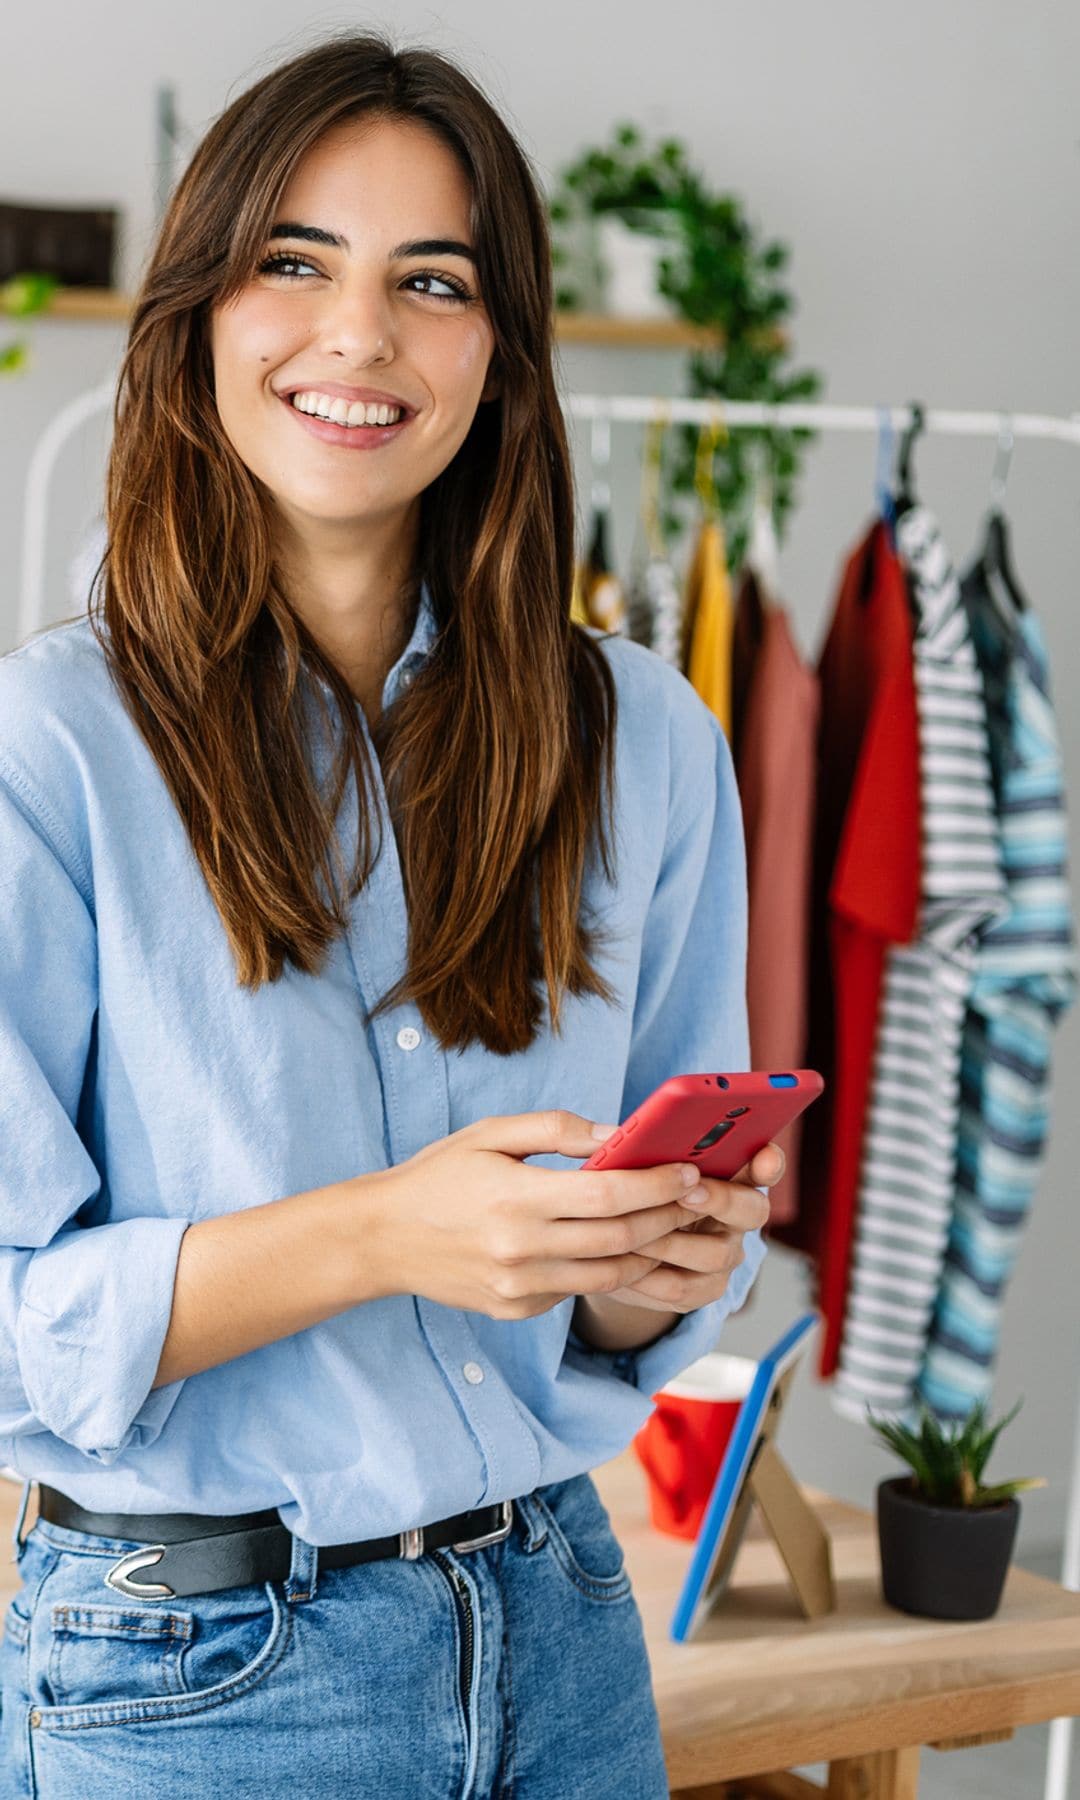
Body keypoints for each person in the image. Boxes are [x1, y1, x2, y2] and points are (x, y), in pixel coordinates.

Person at [0, 30, 777, 1798]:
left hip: (563, 1624)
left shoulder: (646, 740)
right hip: (200, 1679)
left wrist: (652, 1274)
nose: (358, 336)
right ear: (199, 314)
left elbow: (624, 1289)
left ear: (499, 355)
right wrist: (381, 1235)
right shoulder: (46, 750)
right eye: (294, 262)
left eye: (431, 281)